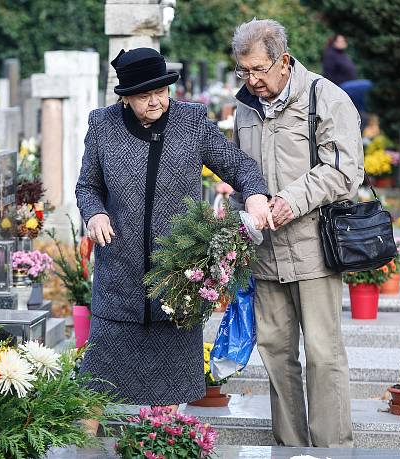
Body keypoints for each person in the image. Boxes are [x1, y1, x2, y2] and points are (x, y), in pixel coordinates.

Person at [75, 47, 272, 424]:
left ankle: (161, 442)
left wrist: (257, 194)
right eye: (145, 95)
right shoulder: (102, 125)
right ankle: (84, 448)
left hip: (178, 278)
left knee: (169, 385)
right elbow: (87, 185)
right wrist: (95, 212)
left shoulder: (192, 121)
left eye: (162, 91)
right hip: (120, 276)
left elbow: (238, 166)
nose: (157, 101)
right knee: (96, 382)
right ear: (127, 97)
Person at [230, 19, 364, 447]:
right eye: (243, 71)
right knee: (276, 356)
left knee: (323, 357)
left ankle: (332, 451)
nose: (251, 81)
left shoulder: (327, 99)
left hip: (314, 252)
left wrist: (292, 199)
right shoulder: (245, 108)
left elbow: (346, 171)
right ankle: (290, 451)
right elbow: (242, 173)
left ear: (284, 62)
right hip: (265, 255)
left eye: (259, 70)